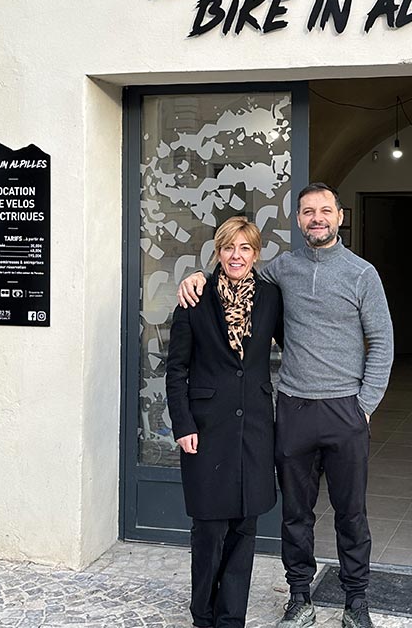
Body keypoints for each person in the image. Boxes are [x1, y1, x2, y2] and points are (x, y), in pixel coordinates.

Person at [178, 183, 393, 628]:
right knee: (296, 514)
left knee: (352, 513)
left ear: (339, 217)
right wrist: (197, 274)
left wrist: (365, 405)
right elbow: (235, 266)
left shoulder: (362, 274)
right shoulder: (282, 270)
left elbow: (383, 343)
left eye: (325, 211)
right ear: (298, 220)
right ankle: (300, 597)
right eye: (308, 211)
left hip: (344, 410)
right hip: (292, 408)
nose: (317, 218)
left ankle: (357, 602)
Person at [166, 216, 283, 628]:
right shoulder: (194, 298)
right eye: (229, 248)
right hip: (206, 428)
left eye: (245, 248)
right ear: (218, 252)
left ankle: (232, 617)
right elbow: (176, 369)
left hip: (254, 428)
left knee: (245, 528)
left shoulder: (270, 297)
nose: (237, 256)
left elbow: (295, 344)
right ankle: (203, 614)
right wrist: (183, 425)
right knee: (210, 529)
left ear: (256, 254)